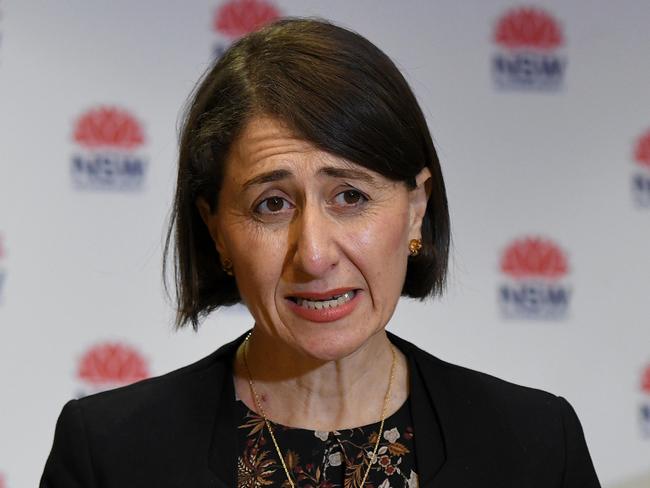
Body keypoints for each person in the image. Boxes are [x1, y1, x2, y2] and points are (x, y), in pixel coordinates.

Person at [41, 18, 601, 488]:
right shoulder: (109, 456)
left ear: (415, 209)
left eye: (351, 196)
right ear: (216, 231)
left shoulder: (537, 447)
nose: (312, 254)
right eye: (272, 204)